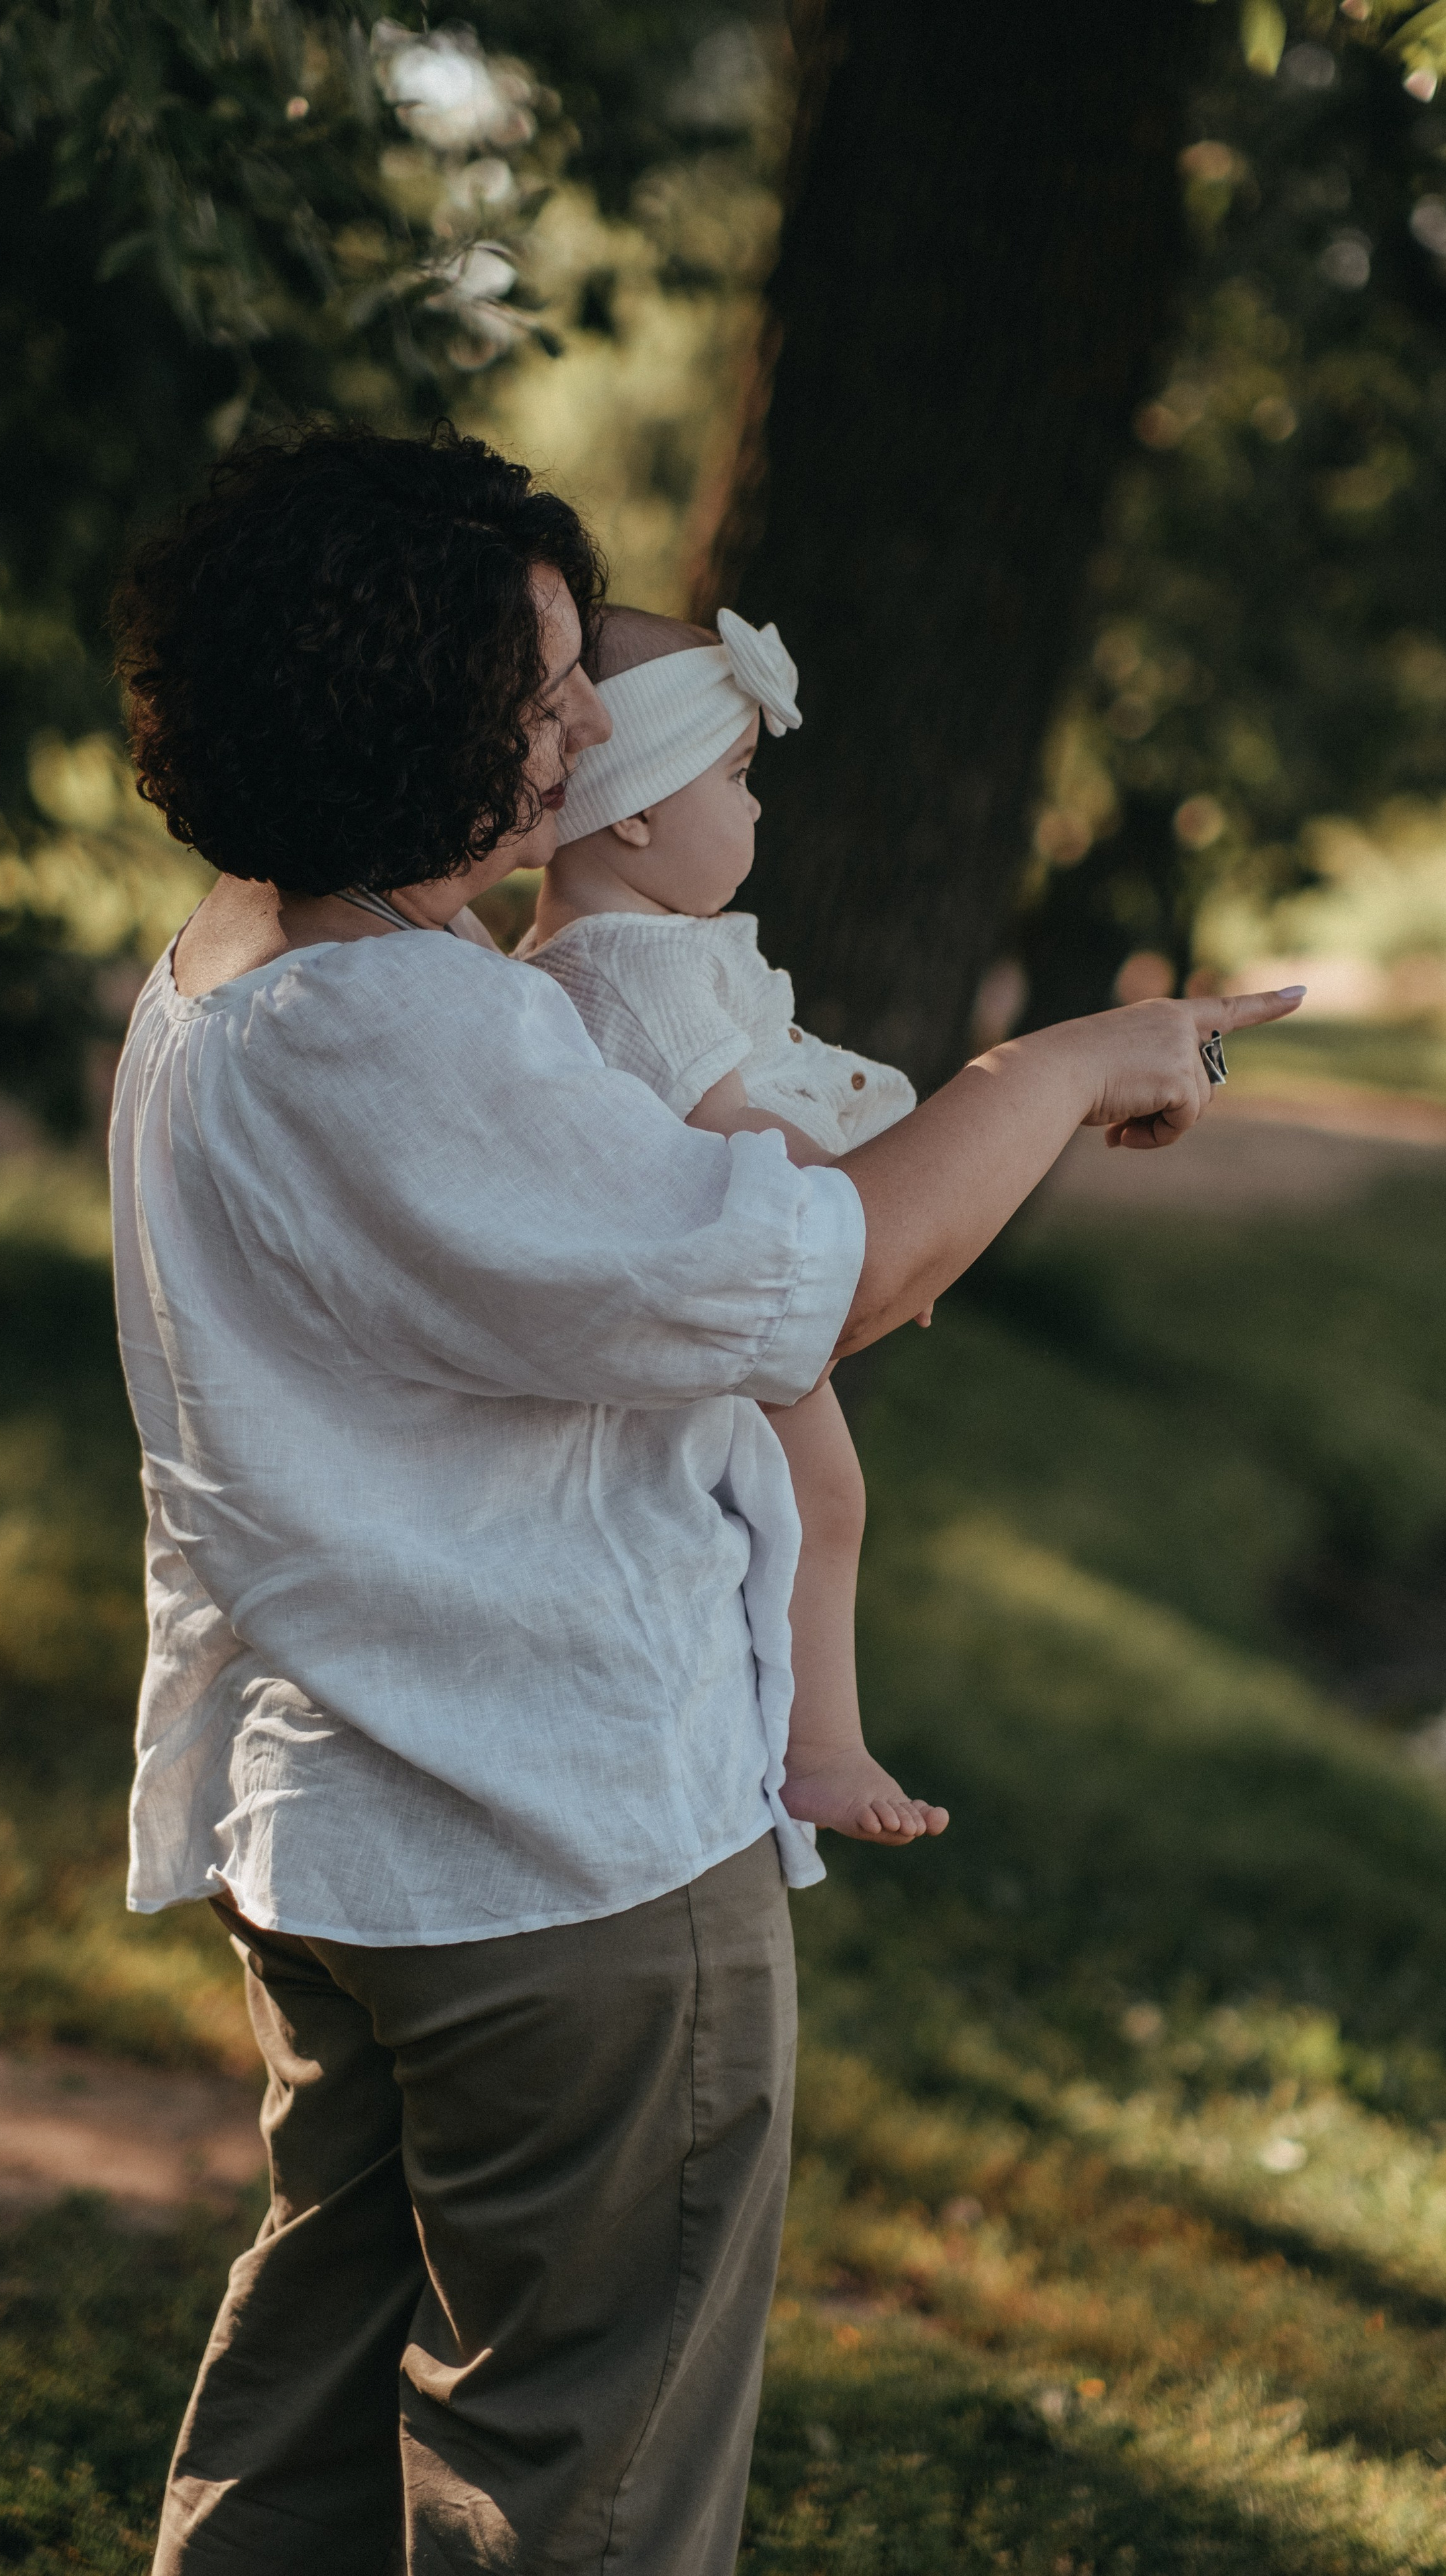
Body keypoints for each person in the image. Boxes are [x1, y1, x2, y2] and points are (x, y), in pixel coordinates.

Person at [107, 419, 1302, 2576]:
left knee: (306, 2406)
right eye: (544, 694)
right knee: (582, 2479)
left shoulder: (234, 966)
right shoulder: (408, 1036)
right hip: (551, 1854)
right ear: (412, 721)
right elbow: (819, 1284)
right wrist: (1050, 1073)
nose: (582, 737)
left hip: (352, 1839)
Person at [523, 601, 946, 1846]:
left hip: (683, 1284)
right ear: (640, 808)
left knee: (792, 1503)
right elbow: (744, 1147)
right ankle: (824, 1748)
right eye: (740, 776)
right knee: (828, 1500)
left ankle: (807, 1734)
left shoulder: (615, 945)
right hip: (722, 1276)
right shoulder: (631, 968)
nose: (759, 809)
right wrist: (896, 1229)